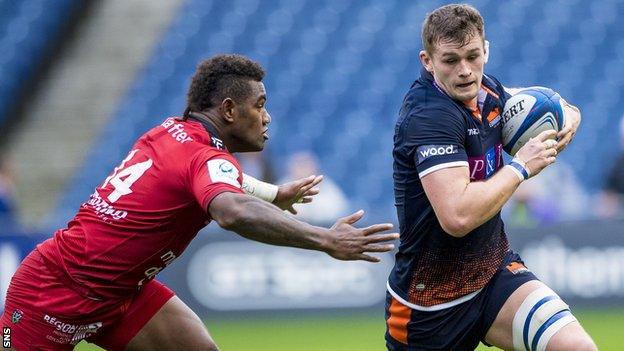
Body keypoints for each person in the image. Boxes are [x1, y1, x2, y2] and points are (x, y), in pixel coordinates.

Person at [0, 54, 399, 350]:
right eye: (259, 105)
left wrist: (274, 194)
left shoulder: (171, 132)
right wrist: (325, 240)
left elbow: (219, 178)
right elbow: (232, 209)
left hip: (121, 294)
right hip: (51, 292)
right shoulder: (205, 157)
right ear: (228, 109)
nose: (267, 117)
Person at [385, 4, 595, 351]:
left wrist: (570, 114)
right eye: (451, 60)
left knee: (577, 348)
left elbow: (550, 103)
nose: (466, 71)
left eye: (473, 56)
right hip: (430, 307)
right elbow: (457, 217)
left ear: (486, 50)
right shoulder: (428, 117)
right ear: (428, 61)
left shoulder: (489, 91)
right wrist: (520, 168)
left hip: (494, 276)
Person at [281, 151, 350, 224]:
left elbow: (338, 213)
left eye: (306, 165)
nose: (303, 169)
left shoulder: (328, 189)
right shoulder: (282, 187)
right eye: (300, 165)